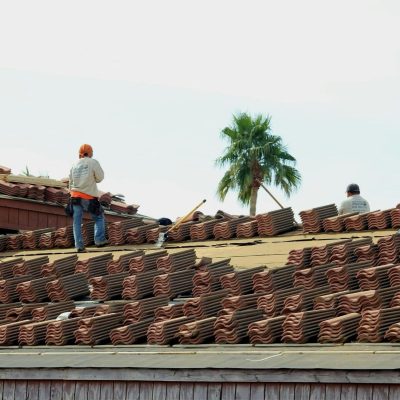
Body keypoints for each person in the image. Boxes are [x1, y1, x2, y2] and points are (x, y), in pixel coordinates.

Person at [69, 144, 108, 252]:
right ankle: (99, 240)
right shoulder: (93, 162)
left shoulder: (74, 164)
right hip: (88, 196)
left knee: (76, 222)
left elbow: (70, 181)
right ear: (90, 153)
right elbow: (100, 177)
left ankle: (79, 246)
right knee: (99, 217)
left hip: (75, 196)